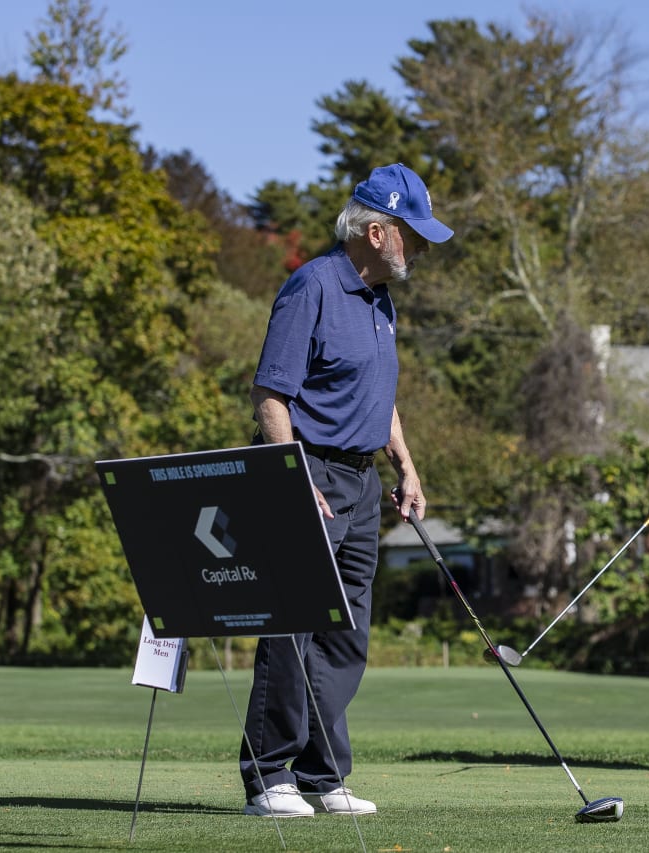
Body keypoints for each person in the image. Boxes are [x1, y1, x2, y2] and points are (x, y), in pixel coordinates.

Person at [240, 163, 453, 817]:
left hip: (361, 483)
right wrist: (292, 479)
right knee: (292, 627)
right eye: (411, 235)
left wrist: (406, 465)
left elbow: (378, 395)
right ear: (376, 230)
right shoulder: (313, 287)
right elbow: (271, 394)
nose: (418, 248)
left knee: (346, 634)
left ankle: (321, 774)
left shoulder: (381, 300)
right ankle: (268, 773)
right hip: (309, 475)